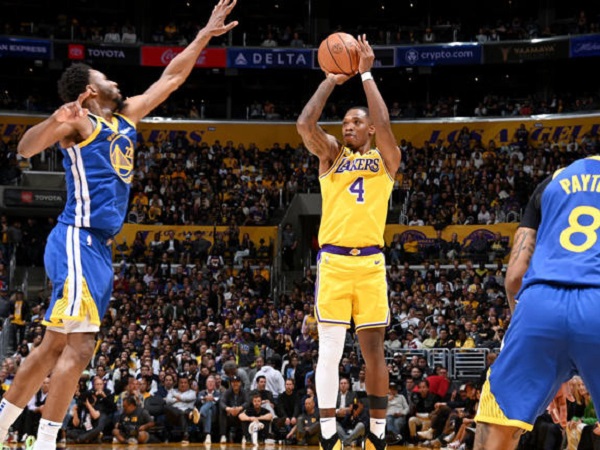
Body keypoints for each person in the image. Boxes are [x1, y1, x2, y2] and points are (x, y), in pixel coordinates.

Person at [0, 2, 238, 449]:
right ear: (89, 91)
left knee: (54, 346)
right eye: (105, 78)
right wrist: (56, 119)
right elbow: (28, 148)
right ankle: (46, 440)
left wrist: (205, 34)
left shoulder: (124, 119)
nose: (115, 81)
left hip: (98, 248)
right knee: (80, 346)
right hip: (76, 236)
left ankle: (4, 429)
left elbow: (172, 77)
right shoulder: (79, 123)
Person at [296, 34, 401, 450]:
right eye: (345, 124)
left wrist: (367, 74)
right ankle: (328, 439)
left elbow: (386, 125)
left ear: (370, 128)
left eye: (356, 122)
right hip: (334, 264)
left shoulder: (386, 158)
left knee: (374, 352)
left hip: (371, 264)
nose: (348, 127)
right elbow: (305, 125)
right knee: (329, 353)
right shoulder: (331, 156)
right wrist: (330, 80)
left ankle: (377, 436)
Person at [474, 155, 600, 449]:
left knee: (495, 428)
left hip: (539, 304)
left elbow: (514, 277)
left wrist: (544, 355)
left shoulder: (553, 181)